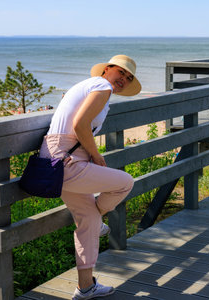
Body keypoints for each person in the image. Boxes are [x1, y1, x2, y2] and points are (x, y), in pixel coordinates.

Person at [39, 55, 141, 300]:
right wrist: (96, 156)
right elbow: (80, 125)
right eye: (121, 73)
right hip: (66, 161)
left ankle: (85, 288)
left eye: (129, 78)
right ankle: (99, 220)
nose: (124, 80)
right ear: (107, 70)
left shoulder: (86, 86)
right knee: (125, 182)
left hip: (55, 160)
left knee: (87, 220)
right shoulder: (102, 86)